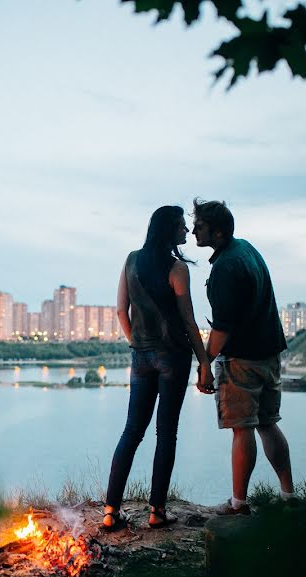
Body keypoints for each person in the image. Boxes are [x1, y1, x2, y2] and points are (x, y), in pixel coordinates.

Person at [102, 205, 213, 531]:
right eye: (181, 227)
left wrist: (136, 343)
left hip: (141, 357)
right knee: (166, 433)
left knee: (131, 431)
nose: (185, 232)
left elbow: (122, 310)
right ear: (169, 231)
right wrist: (204, 362)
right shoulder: (177, 268)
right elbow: (188, 321)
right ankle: (156, 511)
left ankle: (110, 511)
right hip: (173, 357)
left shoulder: (132, 260)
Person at [191, 199, 295, 515]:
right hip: (269, 353)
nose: (194, 230)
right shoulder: (246, 249)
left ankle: (238, 503)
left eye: (201, 226)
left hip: (242, 361)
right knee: (268, 423)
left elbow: (222, 329)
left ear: (218, 232)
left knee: (243, 429)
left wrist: (205, 364)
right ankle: (289, 496)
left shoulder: (225, 267)